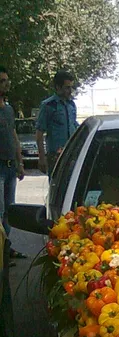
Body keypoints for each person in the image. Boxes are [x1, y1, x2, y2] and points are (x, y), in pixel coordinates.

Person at [0, 66, 27, 262]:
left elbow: (13, 136)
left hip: (10, 167)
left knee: (9, 211)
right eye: (2, 81)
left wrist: (20, 162)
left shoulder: (8, 109)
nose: (6, 84)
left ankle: (6, 248)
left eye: (7, 80)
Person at [36, 70, 78, 177]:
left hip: (72, 154)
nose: (70, 91)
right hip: (55, 156)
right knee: (57, 188)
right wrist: (42, 157)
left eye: (71, 87)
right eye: (67, 87)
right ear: (58, 87)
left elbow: (74, 126)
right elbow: (39, 133)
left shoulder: (71, 105)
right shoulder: (48, 105)